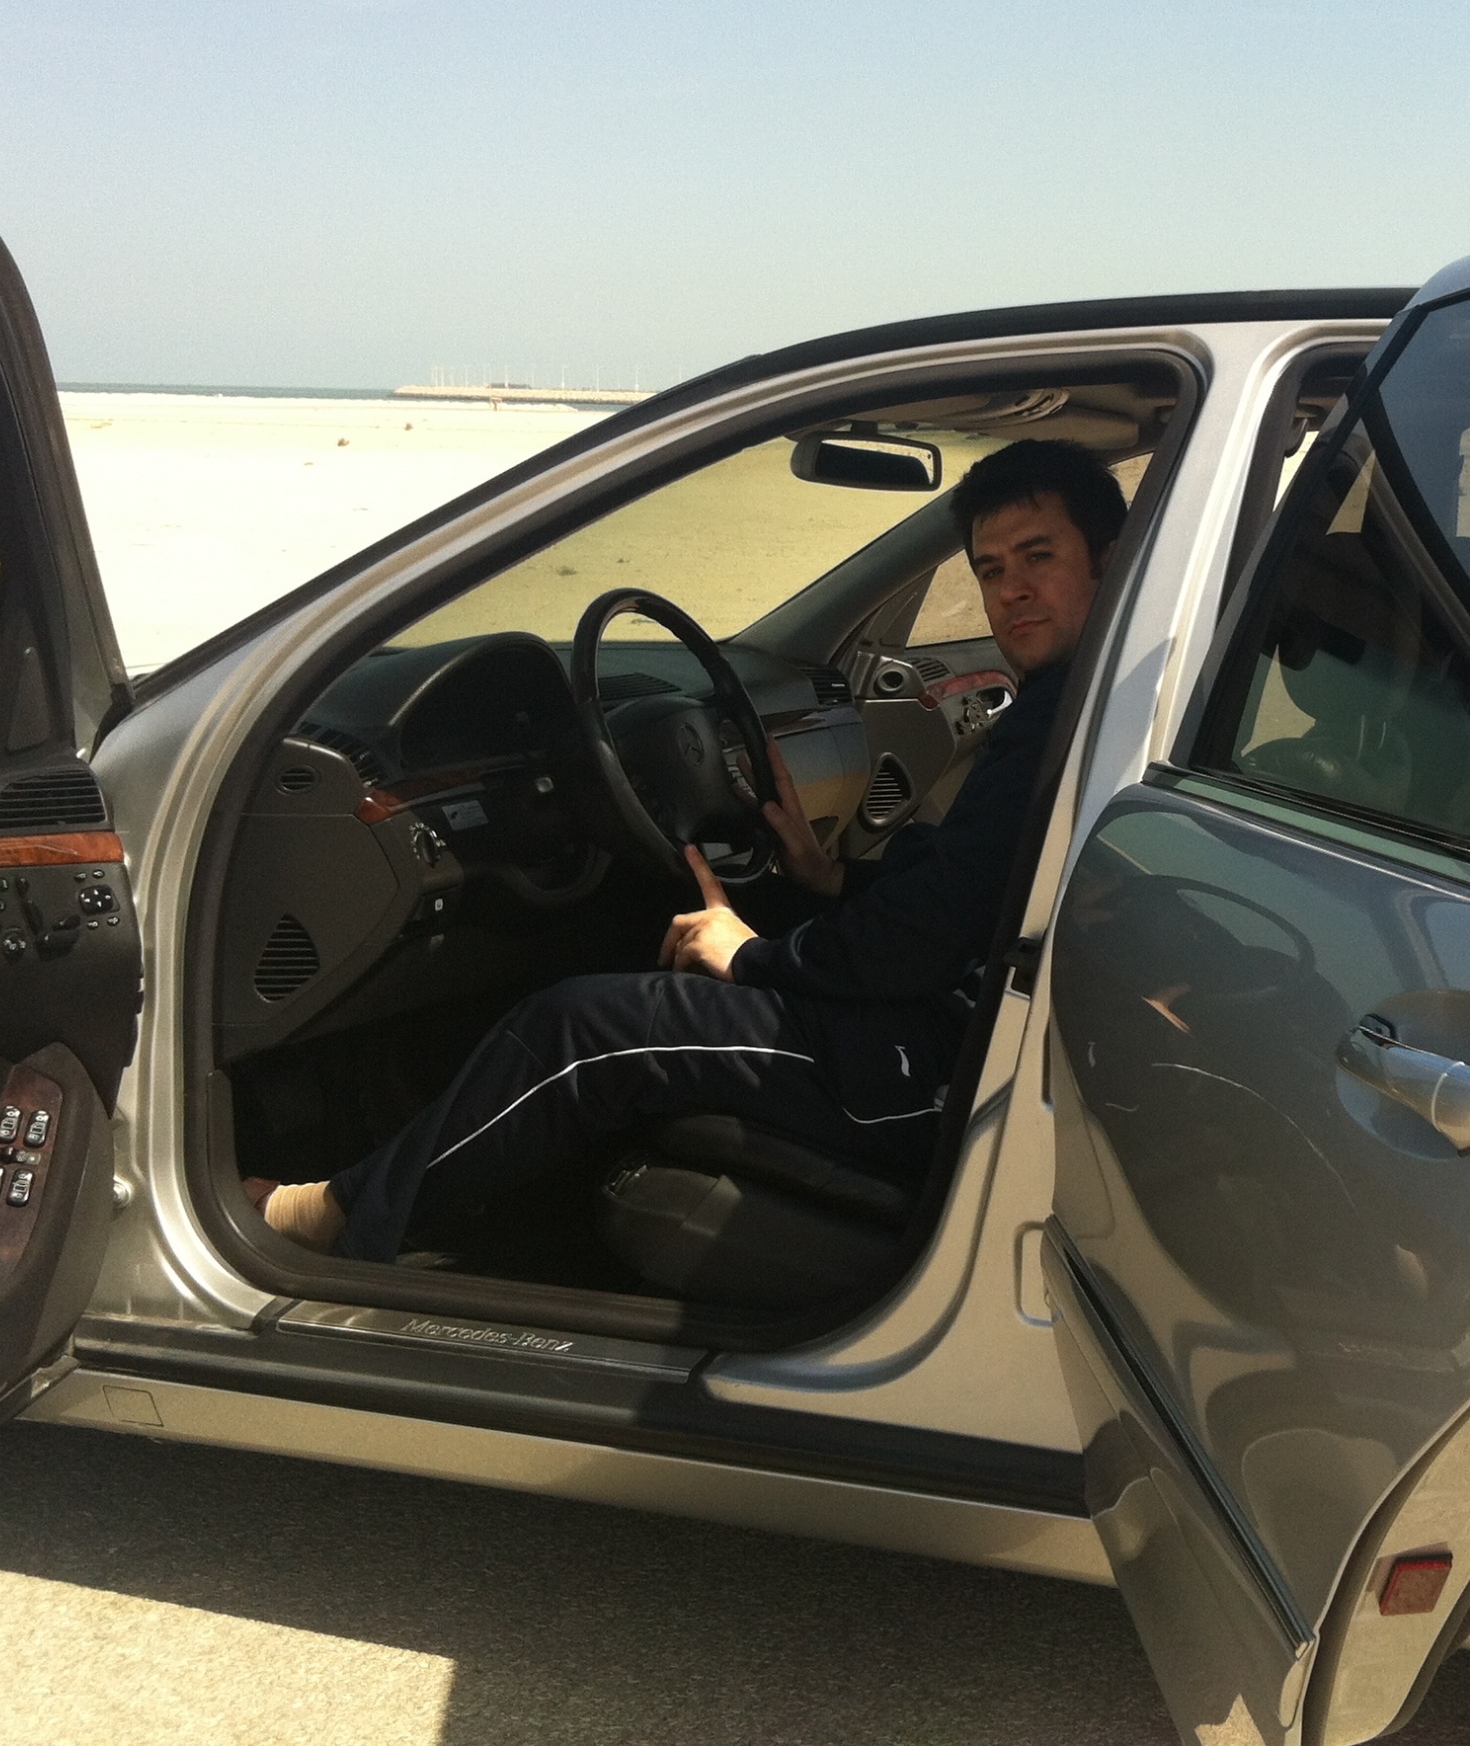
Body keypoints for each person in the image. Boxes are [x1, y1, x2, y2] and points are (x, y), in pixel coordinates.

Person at [249, 438, 1128, 1261]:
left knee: (581, 1028)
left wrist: (750, 959)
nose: (1011, 590)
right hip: (979, 1017)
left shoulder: (1065, 717)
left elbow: (930, 934)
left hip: (941, 1069)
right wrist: (829, 878)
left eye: (1038, 557)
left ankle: (333, 1216)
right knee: (681, 925)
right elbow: (975, 887)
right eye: (991, 569)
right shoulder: (1088, 697)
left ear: (1109, 560)